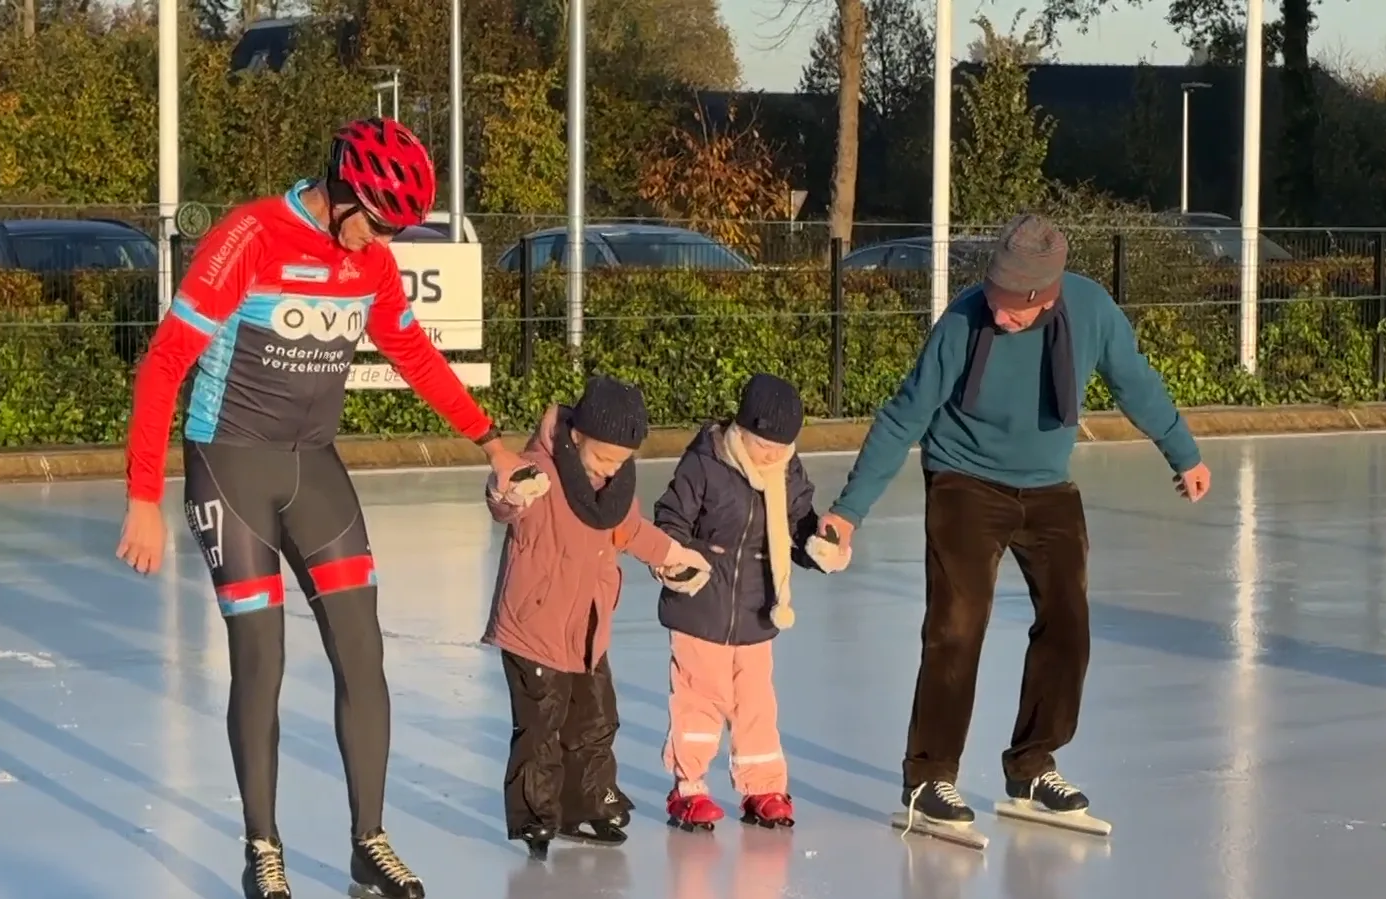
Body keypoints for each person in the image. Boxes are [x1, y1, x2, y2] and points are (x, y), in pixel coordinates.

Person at [114, 117, 533, 899]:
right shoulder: (251, 236)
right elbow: (166, 360)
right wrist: (142, 497)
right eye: (375, 220)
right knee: (261, 658)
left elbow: (410, 351)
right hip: (230, 461)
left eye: (393, 230)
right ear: (341, 185)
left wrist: (490, 443)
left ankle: (367, 840)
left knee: (362, 653)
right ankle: (262, 846)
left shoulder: (371, 261)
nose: (378, 241)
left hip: (315, 465)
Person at [816, 212, 1211, 829]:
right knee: (956, 624)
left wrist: (1183, 452)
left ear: (1048, 295)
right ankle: (928, 778)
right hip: (963, 479)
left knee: (1068, 622)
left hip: (1048, 485)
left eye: (1013, 308)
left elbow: (1135, 382)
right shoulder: (964, 320)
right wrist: (848, 512)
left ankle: (1032, 765)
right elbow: (904, 415)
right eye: (994, 298)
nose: (998, 314)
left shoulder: (1091, 311)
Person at [482, 376, 713, 859]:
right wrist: (510, 491)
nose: (612, 468)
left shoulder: (615, 488)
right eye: (604, 456)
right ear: (577, 436)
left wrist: (672, 555)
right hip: (534, 628)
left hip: (587, 631)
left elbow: (629, 530)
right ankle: (536, 817)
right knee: (541, 728)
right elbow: (505, 503)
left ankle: (589, 804)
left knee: (595, 719)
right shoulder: (539, 471)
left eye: (622, 460)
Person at [651, 373, 847, 831]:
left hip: (759, 608)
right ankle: (689, 786)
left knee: (756, 701)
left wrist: (819, 548)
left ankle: (763, 786)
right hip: (701, 603)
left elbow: (799, 524)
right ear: (741, 431)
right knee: (700, 698)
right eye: (764, 445)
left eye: (783, 448)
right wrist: (676, 560)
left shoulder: (786, 471)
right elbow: (670, 517)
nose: (774, 456)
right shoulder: (706, 461)